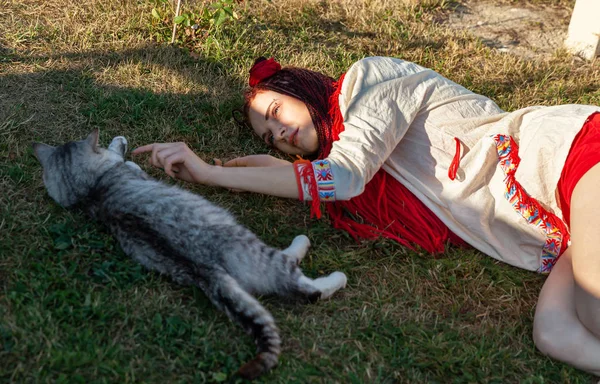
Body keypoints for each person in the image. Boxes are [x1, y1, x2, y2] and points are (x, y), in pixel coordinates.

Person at [132, 56, 600, 375]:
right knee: (555, 333)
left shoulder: (366, 81)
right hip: (563, 222)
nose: (279, 131)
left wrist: (213, 178)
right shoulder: (357, 163)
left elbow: (342, 177)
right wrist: (251, 170)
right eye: (270, 135)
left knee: (594, 310)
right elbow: (333, 179)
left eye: (275, 110)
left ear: (299, 87)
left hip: (568, 155)